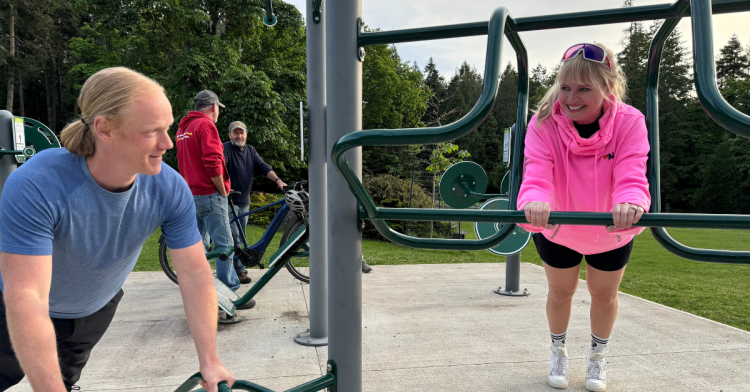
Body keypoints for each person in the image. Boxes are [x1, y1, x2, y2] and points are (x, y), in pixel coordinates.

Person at [0, 67, 236, 391]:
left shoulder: (169, 188)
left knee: (61, 382)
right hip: (12, 308)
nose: (167, 143)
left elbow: (195, 276)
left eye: (167, 128)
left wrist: (209, 360)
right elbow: (27, 297)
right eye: (152, 131)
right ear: (105, 129)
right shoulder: (38, 184)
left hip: (93, 312)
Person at [517, 43, 650, 392]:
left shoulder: (629, 121)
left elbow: (632, 170)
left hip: (609, 230)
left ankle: (597, 358)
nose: (570, 98)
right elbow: (536, 172)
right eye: (565, 87)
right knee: (561, 293)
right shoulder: (544, 122)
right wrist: (534, 200)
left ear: (607, 88)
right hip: (558, 227)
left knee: (603, 296)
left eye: (583, 89)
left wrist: (631, 201)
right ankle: (558, 350)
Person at [175, 91, 254, 310]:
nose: (218, 111)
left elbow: (183, 162)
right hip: (210, 194)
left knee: (198, 246)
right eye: (218, 107)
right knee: (225, 246)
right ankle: (228, 296)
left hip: (191, 195)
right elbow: (212, 161)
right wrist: (222, 190)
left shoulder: (182, 129)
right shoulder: (205, 126)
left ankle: (199, 292)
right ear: (213, 107)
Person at [223, 121, 286, 281]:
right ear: (230, 134)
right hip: (229, 200)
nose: (239, 136)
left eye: (241, 133)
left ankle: (239, 266)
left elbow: (264, 167)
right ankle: (237, 272)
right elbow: (220, 167)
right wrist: (223, 185)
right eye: (236, 133)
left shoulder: (251, 150)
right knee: (233, 236)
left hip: (244, 201)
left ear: (246, 134)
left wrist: (278, 180)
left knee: (241, 234)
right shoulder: (226, 149)